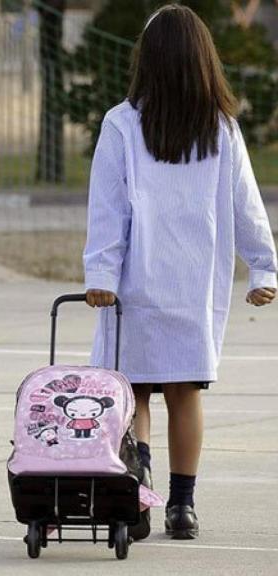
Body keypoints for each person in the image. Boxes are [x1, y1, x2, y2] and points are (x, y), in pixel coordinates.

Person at [83, 5, 277, 540]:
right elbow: (247, 205)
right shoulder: (222, 128)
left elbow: (108, 207)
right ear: (202, 60)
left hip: (134, 287)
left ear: (146, 61)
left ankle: (139, 489)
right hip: (194, 288)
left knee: (135, 395)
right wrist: (263, 268)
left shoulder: (122, 123)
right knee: (184, 394)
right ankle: (183, 507)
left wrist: (100, 272)